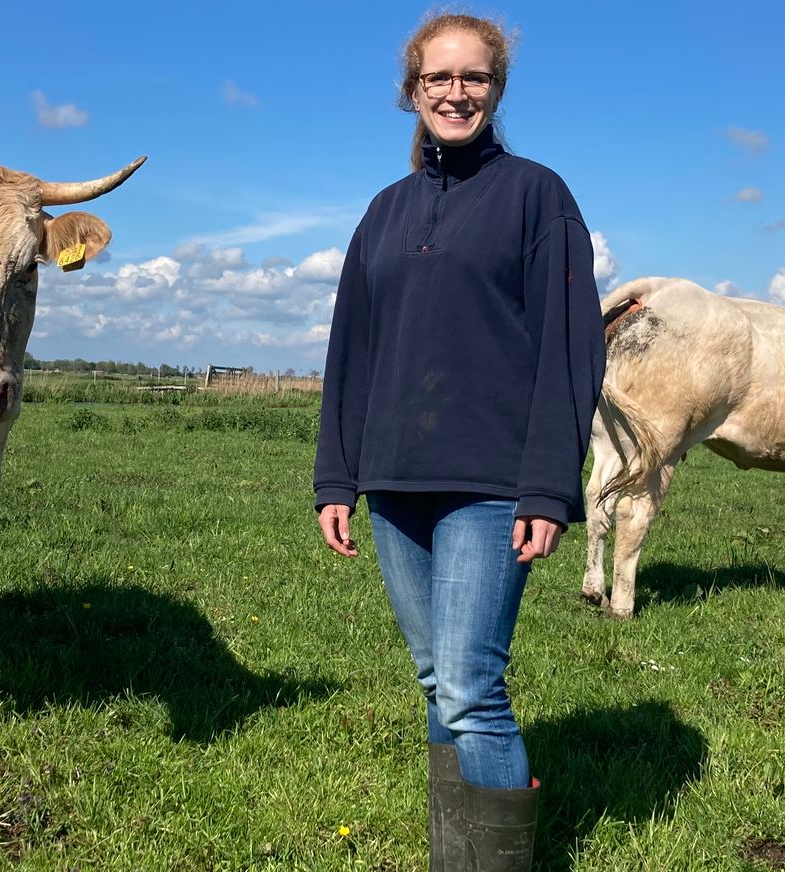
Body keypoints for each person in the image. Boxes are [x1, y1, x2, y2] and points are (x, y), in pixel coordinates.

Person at [312, 12, 606, 870]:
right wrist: (339, 476)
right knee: (439, 682)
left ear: (496, 89)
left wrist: (549, 485)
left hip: (491, 482)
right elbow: (352, 348)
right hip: (396, 482)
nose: (455, 92)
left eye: (473, 77)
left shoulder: (536, 196)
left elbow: (569, 346)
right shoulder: (385, 210)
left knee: (474, 691)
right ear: (412, 90)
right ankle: (458, 858)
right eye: (438, 78)